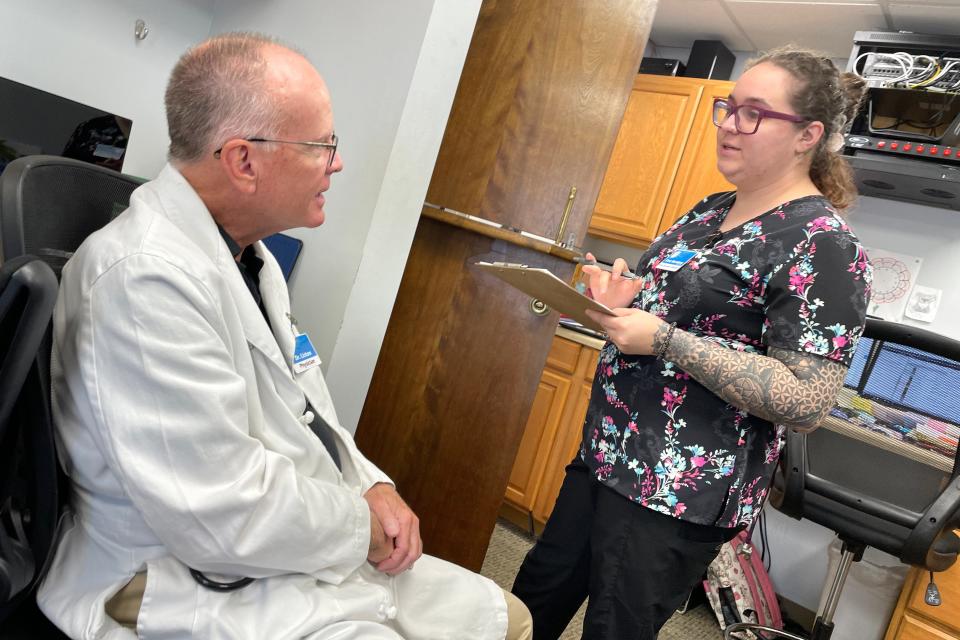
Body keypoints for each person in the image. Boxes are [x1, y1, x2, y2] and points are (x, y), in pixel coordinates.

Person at [38, 32, 531, 640]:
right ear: (244, 160)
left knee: (507, 618)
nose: (337, 162)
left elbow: (309, 410)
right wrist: (361, 527)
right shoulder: (143, 279)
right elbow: (216, 515)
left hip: (280, 539)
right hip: (176, 575)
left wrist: (371, 483)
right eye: (323, 145)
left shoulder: (251, 258)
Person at [512, 46, 872, 639]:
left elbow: (806, 401)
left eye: (754, 113)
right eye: (728, 107)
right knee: (532, 602)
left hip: (674, 493)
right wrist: (625, 298)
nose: (730, 124)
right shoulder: (711, 211)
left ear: (808, 134)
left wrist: (665, 339)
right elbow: (678, 308)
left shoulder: (823, 246)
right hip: (605, 455)